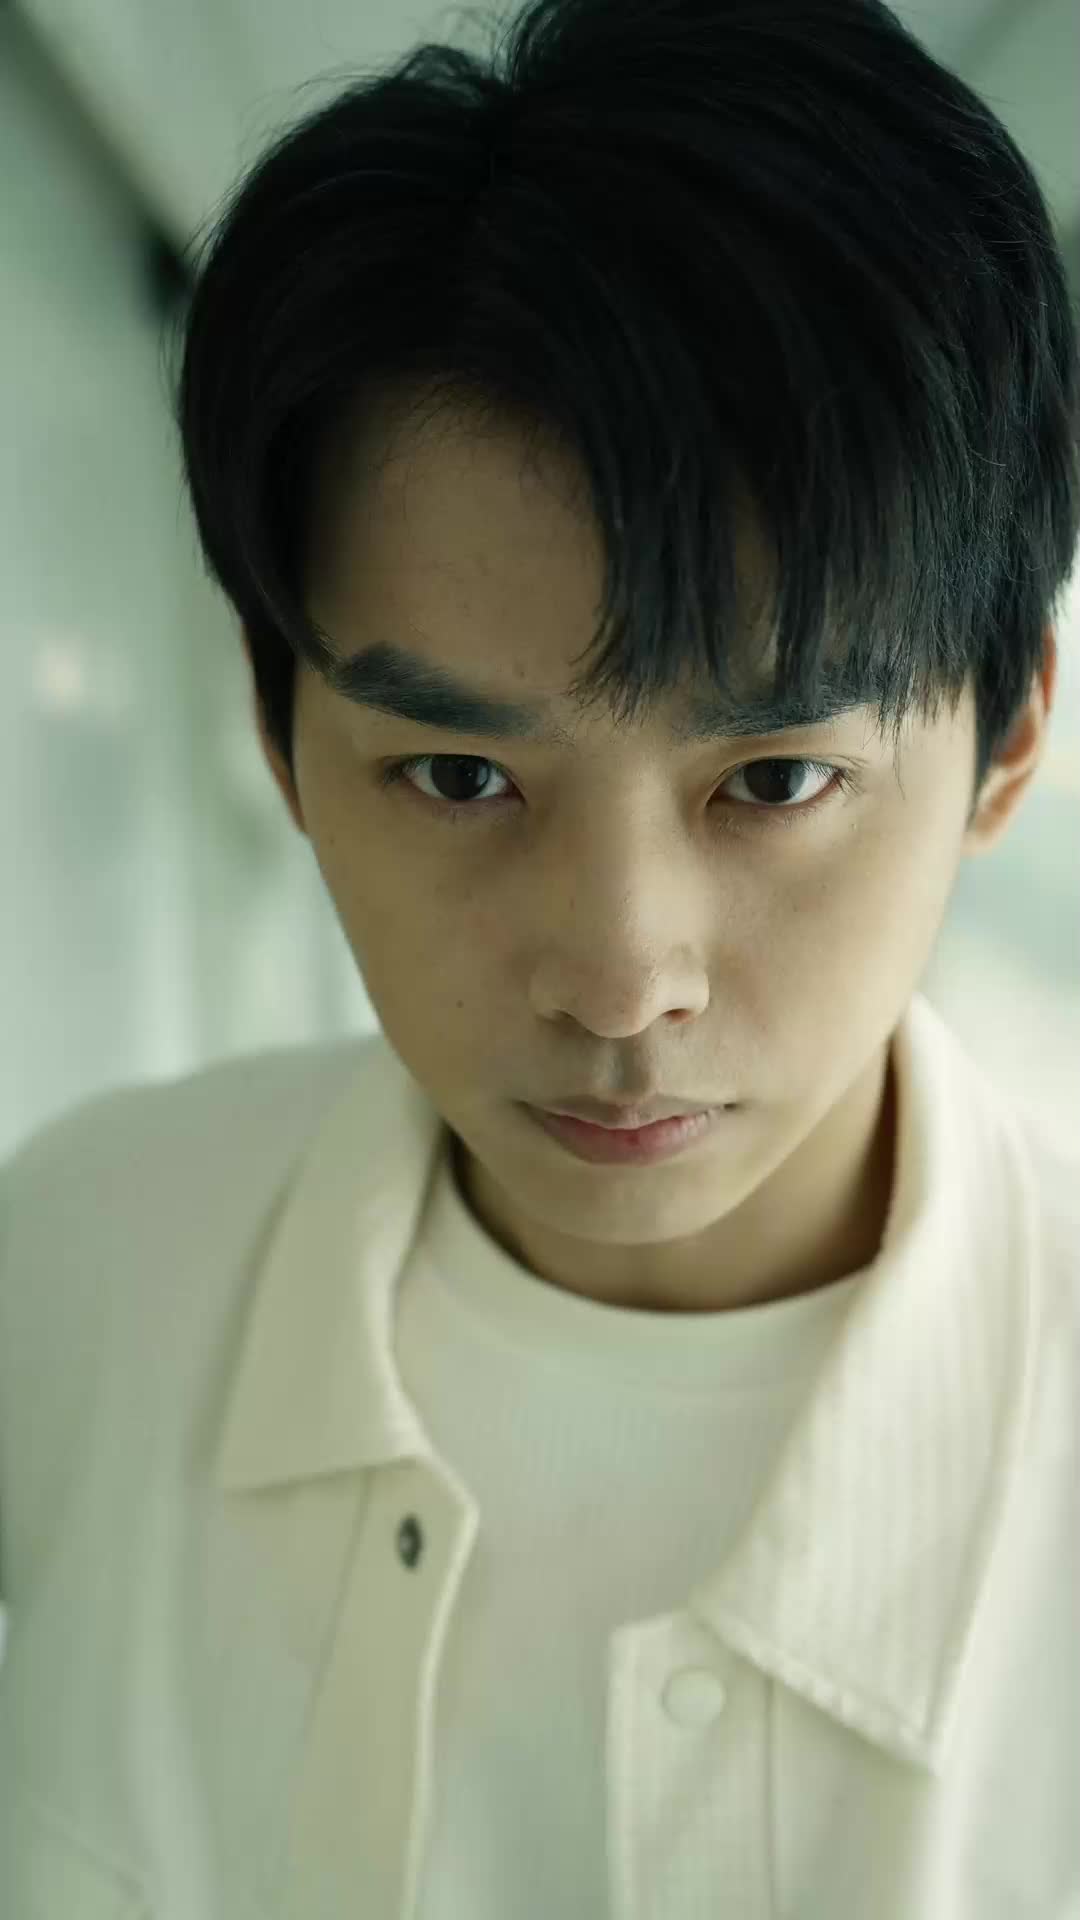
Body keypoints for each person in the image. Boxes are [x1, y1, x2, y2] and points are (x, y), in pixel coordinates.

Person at [2, 0, 1078, 1914]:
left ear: (1008, 742)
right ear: (280, 735)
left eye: (775, 780)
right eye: (459, 775)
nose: (620, 979)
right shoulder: (82, 1268)